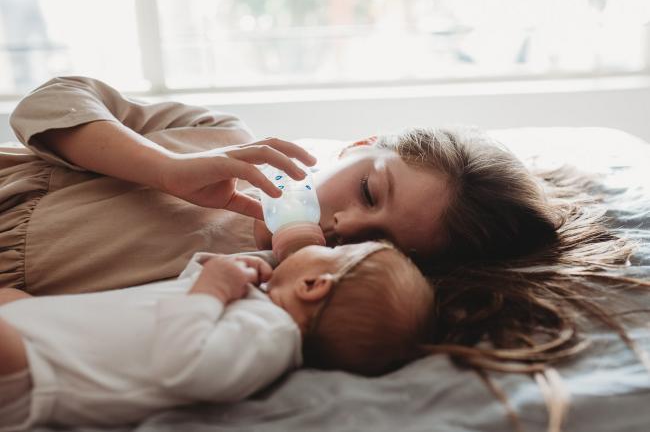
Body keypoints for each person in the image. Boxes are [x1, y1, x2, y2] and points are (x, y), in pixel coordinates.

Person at [2, 76, 560, 295]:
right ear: (358, 144)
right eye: (369, 192)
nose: (344, 228)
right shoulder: (219, 137)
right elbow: (49, 103)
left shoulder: (274, 294)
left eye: (384, 244)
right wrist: (164, 168)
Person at [0, 241, 434, 430]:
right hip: (42, 328)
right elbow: (178, 300)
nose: (331, 242)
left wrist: (213, 288)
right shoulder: (257, 310)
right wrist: (220, 272)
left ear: (314, 285)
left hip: (40, 367)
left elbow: (185, 365)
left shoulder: (270, 337)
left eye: (337, 251)